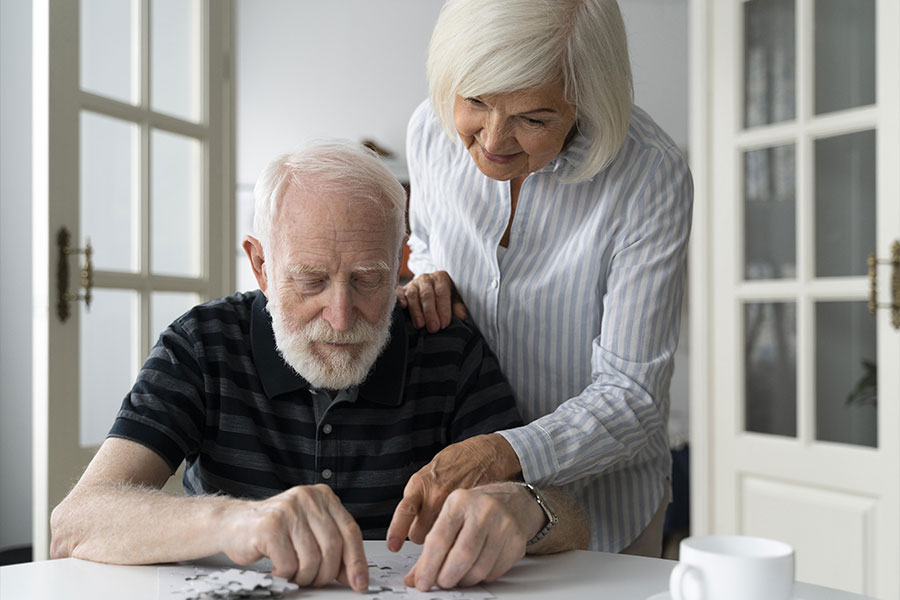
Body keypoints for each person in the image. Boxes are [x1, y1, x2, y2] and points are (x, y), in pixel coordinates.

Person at [50, 140, 589, 593]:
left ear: (401, 260)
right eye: (310, 281)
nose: (340, 316)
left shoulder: (448, 350)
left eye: (368, 279)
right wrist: (240, 520)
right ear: (261, 265)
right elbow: (77, 521)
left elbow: (571, 519)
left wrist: (525, 508)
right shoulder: (202, 343)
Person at [390, 0, 693, 557]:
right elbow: (428, 241)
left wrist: (501, 453)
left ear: (587, 99)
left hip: (606, 506)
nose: (493, 139)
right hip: (465, 500)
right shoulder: (428, 132)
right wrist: (430, 278)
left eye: (533, 119)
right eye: (475, 101)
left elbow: (633, 395)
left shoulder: (650, 175)